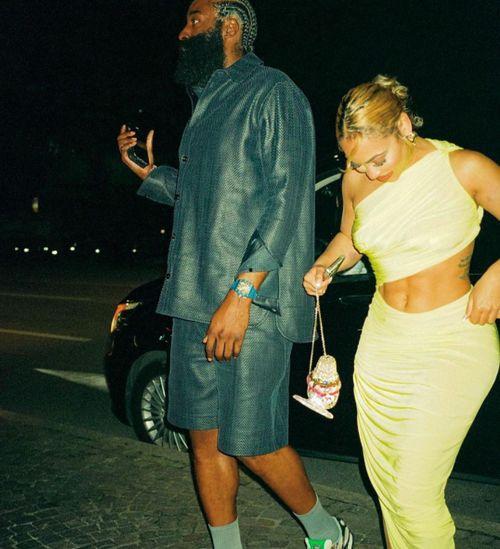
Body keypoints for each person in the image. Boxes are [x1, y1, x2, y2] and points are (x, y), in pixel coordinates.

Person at [117, 1, 353, 548]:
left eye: (194, 20)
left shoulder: (273, 93)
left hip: (253, 302)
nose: (182, 32)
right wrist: (152, 175)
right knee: (204, 439)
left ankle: (326, 532)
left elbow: (287, 200)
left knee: (251, 441)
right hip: (193, 298)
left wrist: (242, 292)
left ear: (229, 26)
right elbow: (209, 198)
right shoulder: (207, 101)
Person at [303, 74, 499, 548]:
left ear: (405, 127)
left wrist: (497, 275)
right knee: (388, 485)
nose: (369, 173)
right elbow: (349, 238)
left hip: (453, 340)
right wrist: (325, 265)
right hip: (384, 346)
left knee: (412, 492)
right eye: (356, 163)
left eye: (377, 159)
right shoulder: (356, 180)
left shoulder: (462, 167)